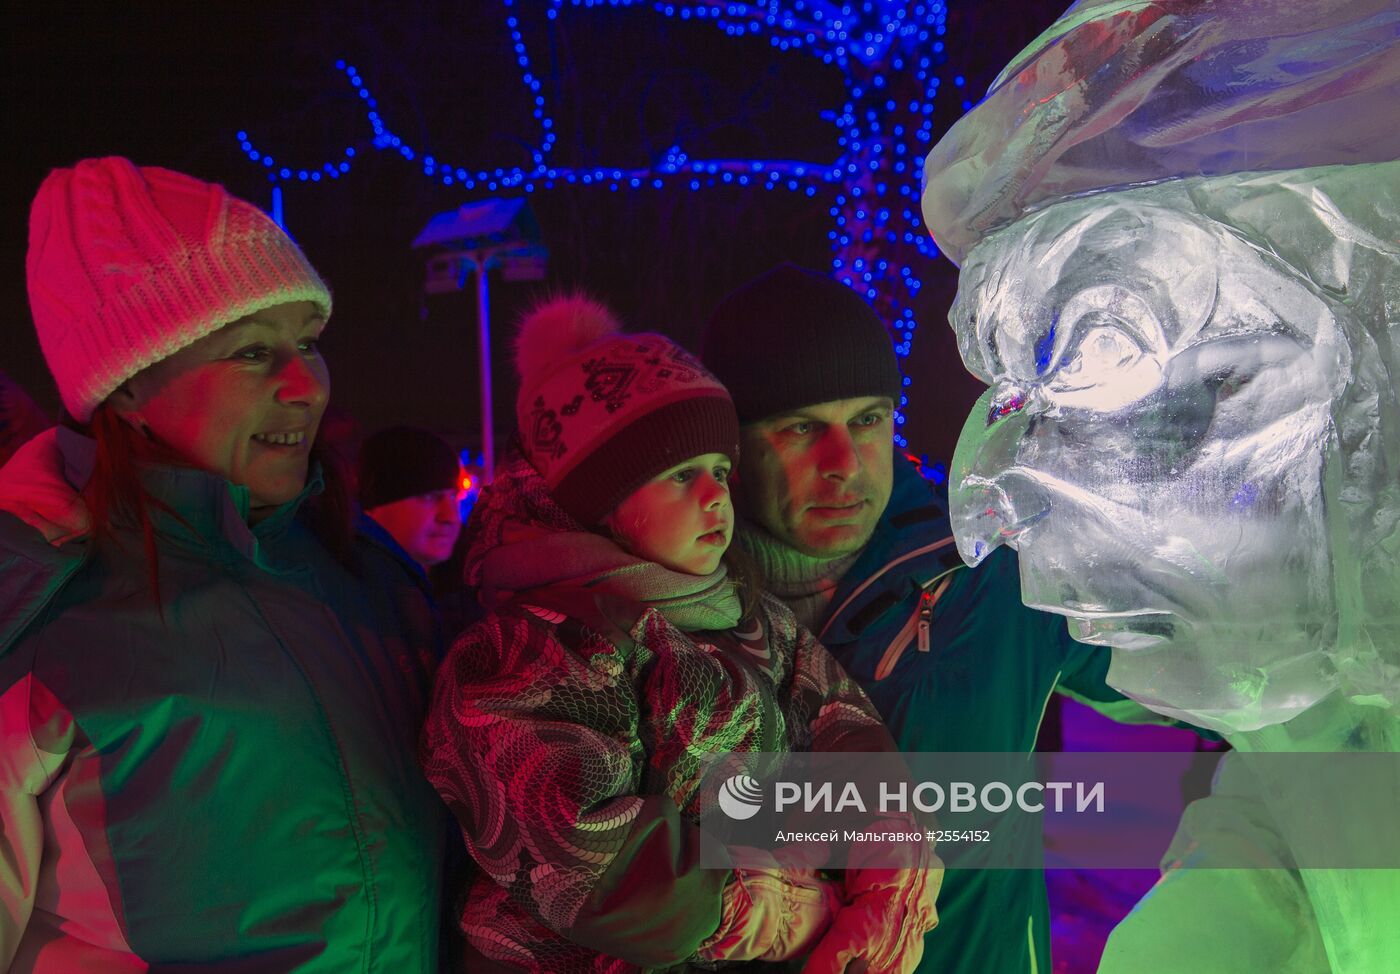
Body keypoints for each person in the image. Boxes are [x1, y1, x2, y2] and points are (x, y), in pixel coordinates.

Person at [920, 1, 1399, 969]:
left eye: (1147, 410)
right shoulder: (1328, 704)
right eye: (1019, 402)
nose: (994, 511)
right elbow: (1312, 803)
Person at [0, 157, 446, 971]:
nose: (306, 384)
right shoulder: (35, 610)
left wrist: (747, 860)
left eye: (308, 341)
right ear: (128, 387)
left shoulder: (363, 567)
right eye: (251, 352)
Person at [421, 294, 939, 972]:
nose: (714, 498)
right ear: (602, 501)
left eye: (721, 472)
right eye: (680, 475)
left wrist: (889, 863)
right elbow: (578, 847)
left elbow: (846, 728)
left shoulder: (751, 617)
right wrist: (766, 911)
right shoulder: (530, 650)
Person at [700, 263, 1182, 974]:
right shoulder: (675, 619)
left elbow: (1194, 670)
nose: (845, 464)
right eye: (801, 430)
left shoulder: (991, 575)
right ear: (733, 452)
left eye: (867, 421)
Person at [359, 425, 464, 572]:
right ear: (373, 504)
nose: (451, 517)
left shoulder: (460, 585)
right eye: (429, 497)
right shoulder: (343, 588)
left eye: (454, 496)